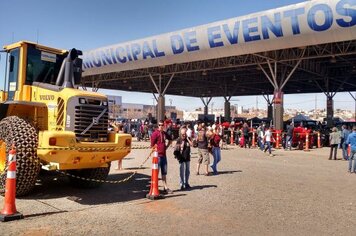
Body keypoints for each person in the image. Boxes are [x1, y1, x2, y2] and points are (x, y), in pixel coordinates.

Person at [150, 120, 172, 193]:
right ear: (158, 126)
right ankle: (155, 187)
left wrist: (167, 146)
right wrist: (155, 148)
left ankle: (165, 187)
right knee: (156, 172)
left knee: (164, 172)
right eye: (159, 125)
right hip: (158, 156)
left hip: (164, 156)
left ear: (164, 126)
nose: (161, 126)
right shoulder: (155, 134)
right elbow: (151, 145)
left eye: (162, 125)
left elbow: (170, 139)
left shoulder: (165, 133)